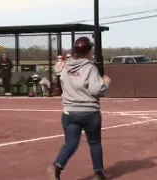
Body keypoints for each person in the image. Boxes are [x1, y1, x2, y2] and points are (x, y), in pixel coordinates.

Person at [47, 37, 111, 180]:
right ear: (88, 51)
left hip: (69, 111)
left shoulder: (65, 65)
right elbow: (97, 89)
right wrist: (105, 83)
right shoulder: (90, 68)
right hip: (89, 111)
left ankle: (56, 166)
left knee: (70, 143)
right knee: (94, 143)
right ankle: (98, 174)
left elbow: (57, 69)